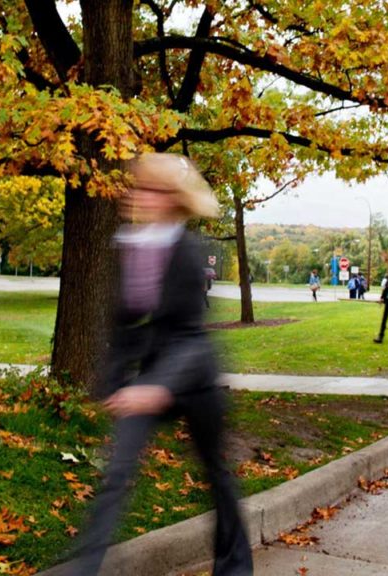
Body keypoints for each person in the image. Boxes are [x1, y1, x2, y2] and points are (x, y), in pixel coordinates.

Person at [69, 153, 252, 576]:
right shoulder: (129, 246)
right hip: (148, 377)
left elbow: (190, 333)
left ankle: (235, 569)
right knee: (116, 474)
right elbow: (124, 323)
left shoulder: (188, 251)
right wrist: (113, 383)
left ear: (171, 200)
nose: (140, 197)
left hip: (195, 378)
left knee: (217, 477)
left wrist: (159, 386)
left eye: (152, 190)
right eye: (138, 188)